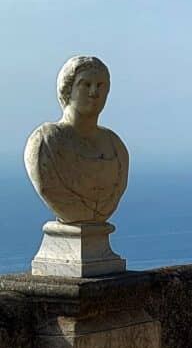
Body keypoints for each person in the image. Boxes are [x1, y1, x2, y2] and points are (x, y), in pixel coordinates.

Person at [24, 56, 129, 224]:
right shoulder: (45, 143)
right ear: (68, 90)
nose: (94, 92)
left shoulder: (115, 147)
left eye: (100, 86)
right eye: (85, 84)